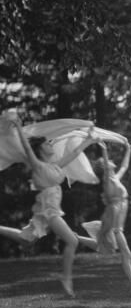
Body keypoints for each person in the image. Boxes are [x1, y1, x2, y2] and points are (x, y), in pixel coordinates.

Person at [0, 117, 98, 296]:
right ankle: (66, 279)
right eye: (48, 143)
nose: (51, 144)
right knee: (72, 241)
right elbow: (28, 148)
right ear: (41, 149)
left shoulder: (54, 166)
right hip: (49, 211)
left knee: (25, 239)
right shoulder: (38, 166)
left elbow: (74, 153)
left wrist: (89, 140)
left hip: (47, 210)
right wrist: (19, 129)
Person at [78, 140, 131, 298]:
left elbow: (124, 166)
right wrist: (104, 150)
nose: (112, 161)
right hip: (114, 221)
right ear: (105, 168)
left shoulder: (115, 178)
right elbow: (108, 169)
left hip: (116, 220)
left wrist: (128, 149)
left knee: (107, 246)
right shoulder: (108, 180)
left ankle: (75, 237)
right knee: (124, 252)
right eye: (108, 161)